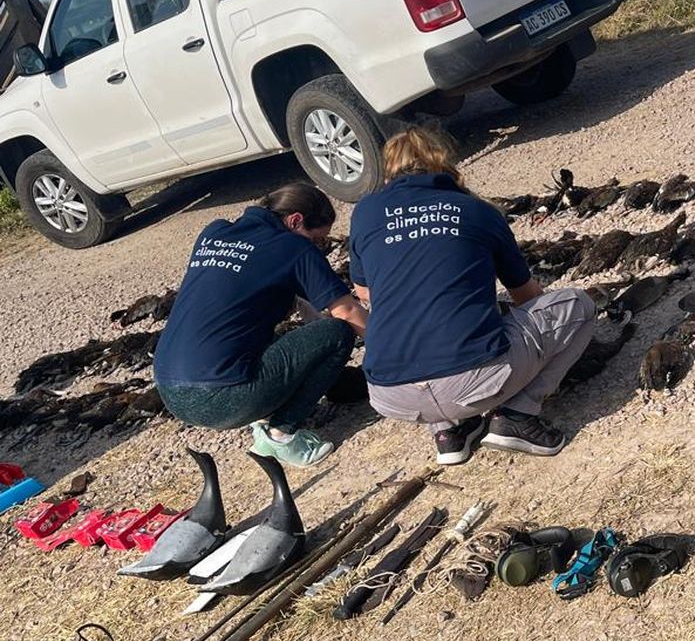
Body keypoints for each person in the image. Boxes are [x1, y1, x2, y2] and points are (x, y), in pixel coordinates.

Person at [349, 128, 596, 466]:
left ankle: (450, 433)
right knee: (578, 305)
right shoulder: (477, 210)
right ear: (444, 162)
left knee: (418, 317)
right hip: (474, 382)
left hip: (390, 394)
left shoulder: (365, 212)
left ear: (390, 169)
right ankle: (516, 415)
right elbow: (526, 295)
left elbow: (365, 294)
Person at [154, 182, 368, 467]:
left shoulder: (214, 232)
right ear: (295, 221)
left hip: (169, 389)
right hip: (222, 398)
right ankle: (280, 436)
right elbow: (347, 310)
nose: (319, 249)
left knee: (257, 331)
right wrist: (395, 357)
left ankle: (263, 412)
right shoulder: (293, 247)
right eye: (317, 240)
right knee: (337, 333)